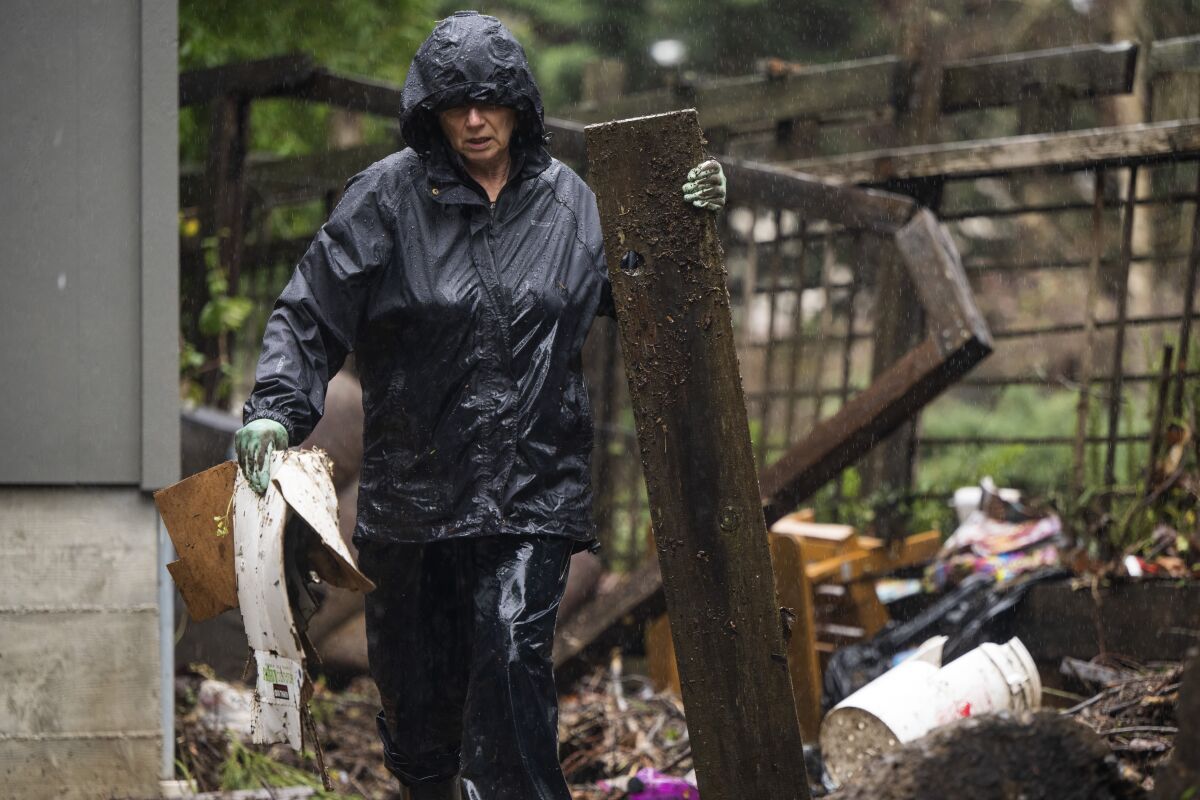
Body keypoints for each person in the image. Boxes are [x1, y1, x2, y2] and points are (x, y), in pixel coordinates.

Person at [233, 11, 726, 800]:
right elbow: (310, 310)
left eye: (489, 102)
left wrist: (687, 220)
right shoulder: (386, 200)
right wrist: (275, 407)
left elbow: (642, 286)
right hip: (414, 504)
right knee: (419, 720)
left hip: (530, 495)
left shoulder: (570, 207)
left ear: (520, 107)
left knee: (508, 656)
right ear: (429, 111)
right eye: (454, 104)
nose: (473, 120)